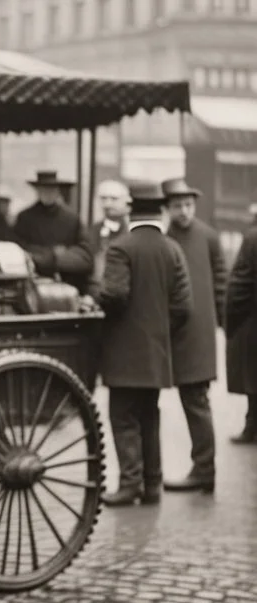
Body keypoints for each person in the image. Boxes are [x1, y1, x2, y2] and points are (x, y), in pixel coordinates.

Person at [97, 181, 192, 507]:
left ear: (131, 210)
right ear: (160, 210)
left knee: (123, 418)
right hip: (156, 351)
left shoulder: (120, 248)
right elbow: (184, 307)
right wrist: (159, 330)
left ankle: (129, 484)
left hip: (123, 352)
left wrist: (97, 300)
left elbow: (115, 295)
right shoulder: (172, 249)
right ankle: (152, 485)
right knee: (149, 417)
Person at [159, 178, 226, 495]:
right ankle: (198, 468)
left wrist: (222, 324)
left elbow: (221, 281)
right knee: (188, 400)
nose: (184, 211)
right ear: (167, 208)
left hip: (198, 333)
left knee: (196, 400)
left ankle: (204, 469)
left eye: (188, 205)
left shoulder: (209, 237)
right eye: (177, 206)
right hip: (172, 331)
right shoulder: (165, 239)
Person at [13, 170, 96, 293]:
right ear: (37, 191)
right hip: (33, 280)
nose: (48, 193)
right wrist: (49, 254)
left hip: (66, 281)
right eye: (43, 189)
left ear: (58, 191)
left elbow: (84, 254)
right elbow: (17, 248)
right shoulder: (25, 217)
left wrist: (63, 257)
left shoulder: (72, 218)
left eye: (52, 189)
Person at [224, 203, 257, 444]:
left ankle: (251, 426)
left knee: (253, 376)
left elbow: (240, 283)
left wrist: (230, 318)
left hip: (252, 317)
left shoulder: (252, 238)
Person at [87, 179, 131, 297]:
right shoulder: (92, 231)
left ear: (126, 202)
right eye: (103, 199)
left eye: (114, 199)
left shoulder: (131, 232)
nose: (107, 204)